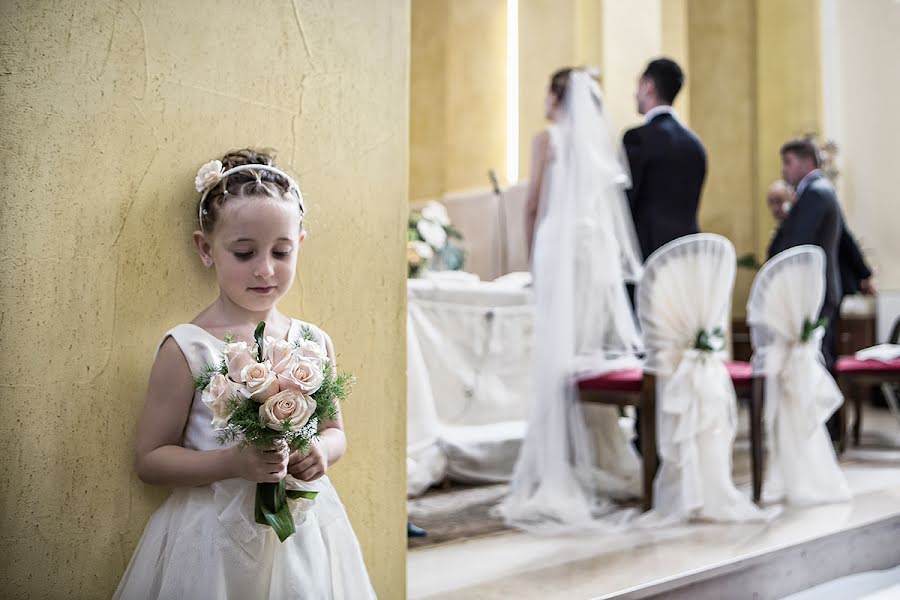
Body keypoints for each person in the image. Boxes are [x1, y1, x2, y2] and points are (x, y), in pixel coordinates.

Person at [114, 149, 375, 599]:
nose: (265, 269)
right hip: (211, 538)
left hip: (300, 533)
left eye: (281, 251)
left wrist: (320, 451)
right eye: (244, 252)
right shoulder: (187, 348)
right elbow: (150, 459)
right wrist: (233, 463)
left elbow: (335, 431)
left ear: (300, 246)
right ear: (206, 248)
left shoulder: (313, 342)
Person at [500, 68, 644, 531]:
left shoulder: (549, 140)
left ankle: (558, 464)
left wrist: (530, 262)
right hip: (591, 254)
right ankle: (600, 454)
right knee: (584, 354)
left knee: (555, 358)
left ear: (557, 95)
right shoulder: (594, 149)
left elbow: (532, 204)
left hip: (558, 251)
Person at [768, 139, 845, 372]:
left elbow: (796, 246)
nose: (784, 169)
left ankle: (822, 409)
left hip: (813, 290)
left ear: (807, 162)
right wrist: (864, 274)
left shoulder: (815, 194)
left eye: (788, 162)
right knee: (819, 356)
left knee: (816, 361)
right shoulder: (823, 190)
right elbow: (847, 239)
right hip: (822, 288)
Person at [623, 58, 707, 262]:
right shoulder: (695, 144)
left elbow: (625, 203)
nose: (635, 93)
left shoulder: (637, 138)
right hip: (687, 256)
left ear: (648, 86)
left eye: (638, 86)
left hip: (647, 256)